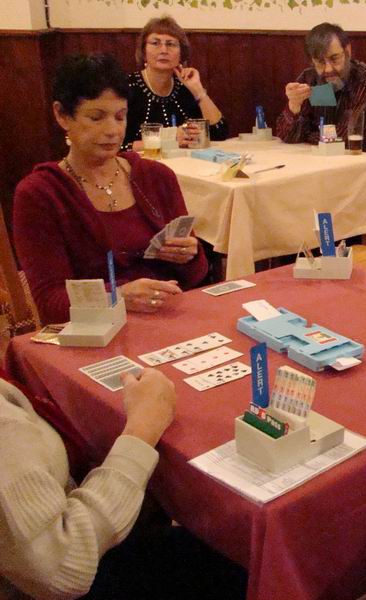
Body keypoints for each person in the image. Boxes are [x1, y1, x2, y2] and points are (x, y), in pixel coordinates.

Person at [0, 367, 248, 599]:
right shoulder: (7, 425)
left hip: (53, 526)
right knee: (246, 563)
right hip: (62, 572)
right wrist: (143, 427)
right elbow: (60, 568)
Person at [14, 53, 208, 325]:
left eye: (120, 117)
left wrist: (189, 255)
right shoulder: (40, 194)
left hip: (169, 319)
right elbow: (50, 303)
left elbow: (197, 275)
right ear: (62, 115)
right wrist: (117, 297)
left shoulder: (156, 176)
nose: (112, 131)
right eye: (96, 117)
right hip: (96, 332)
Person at [275, 22, 366, 155]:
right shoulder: (309, 78)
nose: (328, 69)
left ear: (348, 51)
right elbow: (288, 136)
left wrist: (306, 135)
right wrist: (294, 105)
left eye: (334, 59)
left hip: (361, 161)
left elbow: (346, 138)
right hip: (318, 159)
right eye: (320, 62)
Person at [124, 15, 228, 149]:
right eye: (155, 43)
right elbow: (118, 147)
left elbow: (219, 133)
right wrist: (168, 139)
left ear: (181, 54)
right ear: (143, 51)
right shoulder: (127, 87)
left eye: (170, 44)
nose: (163, 50)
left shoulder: (184, 88)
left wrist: (198, 90)